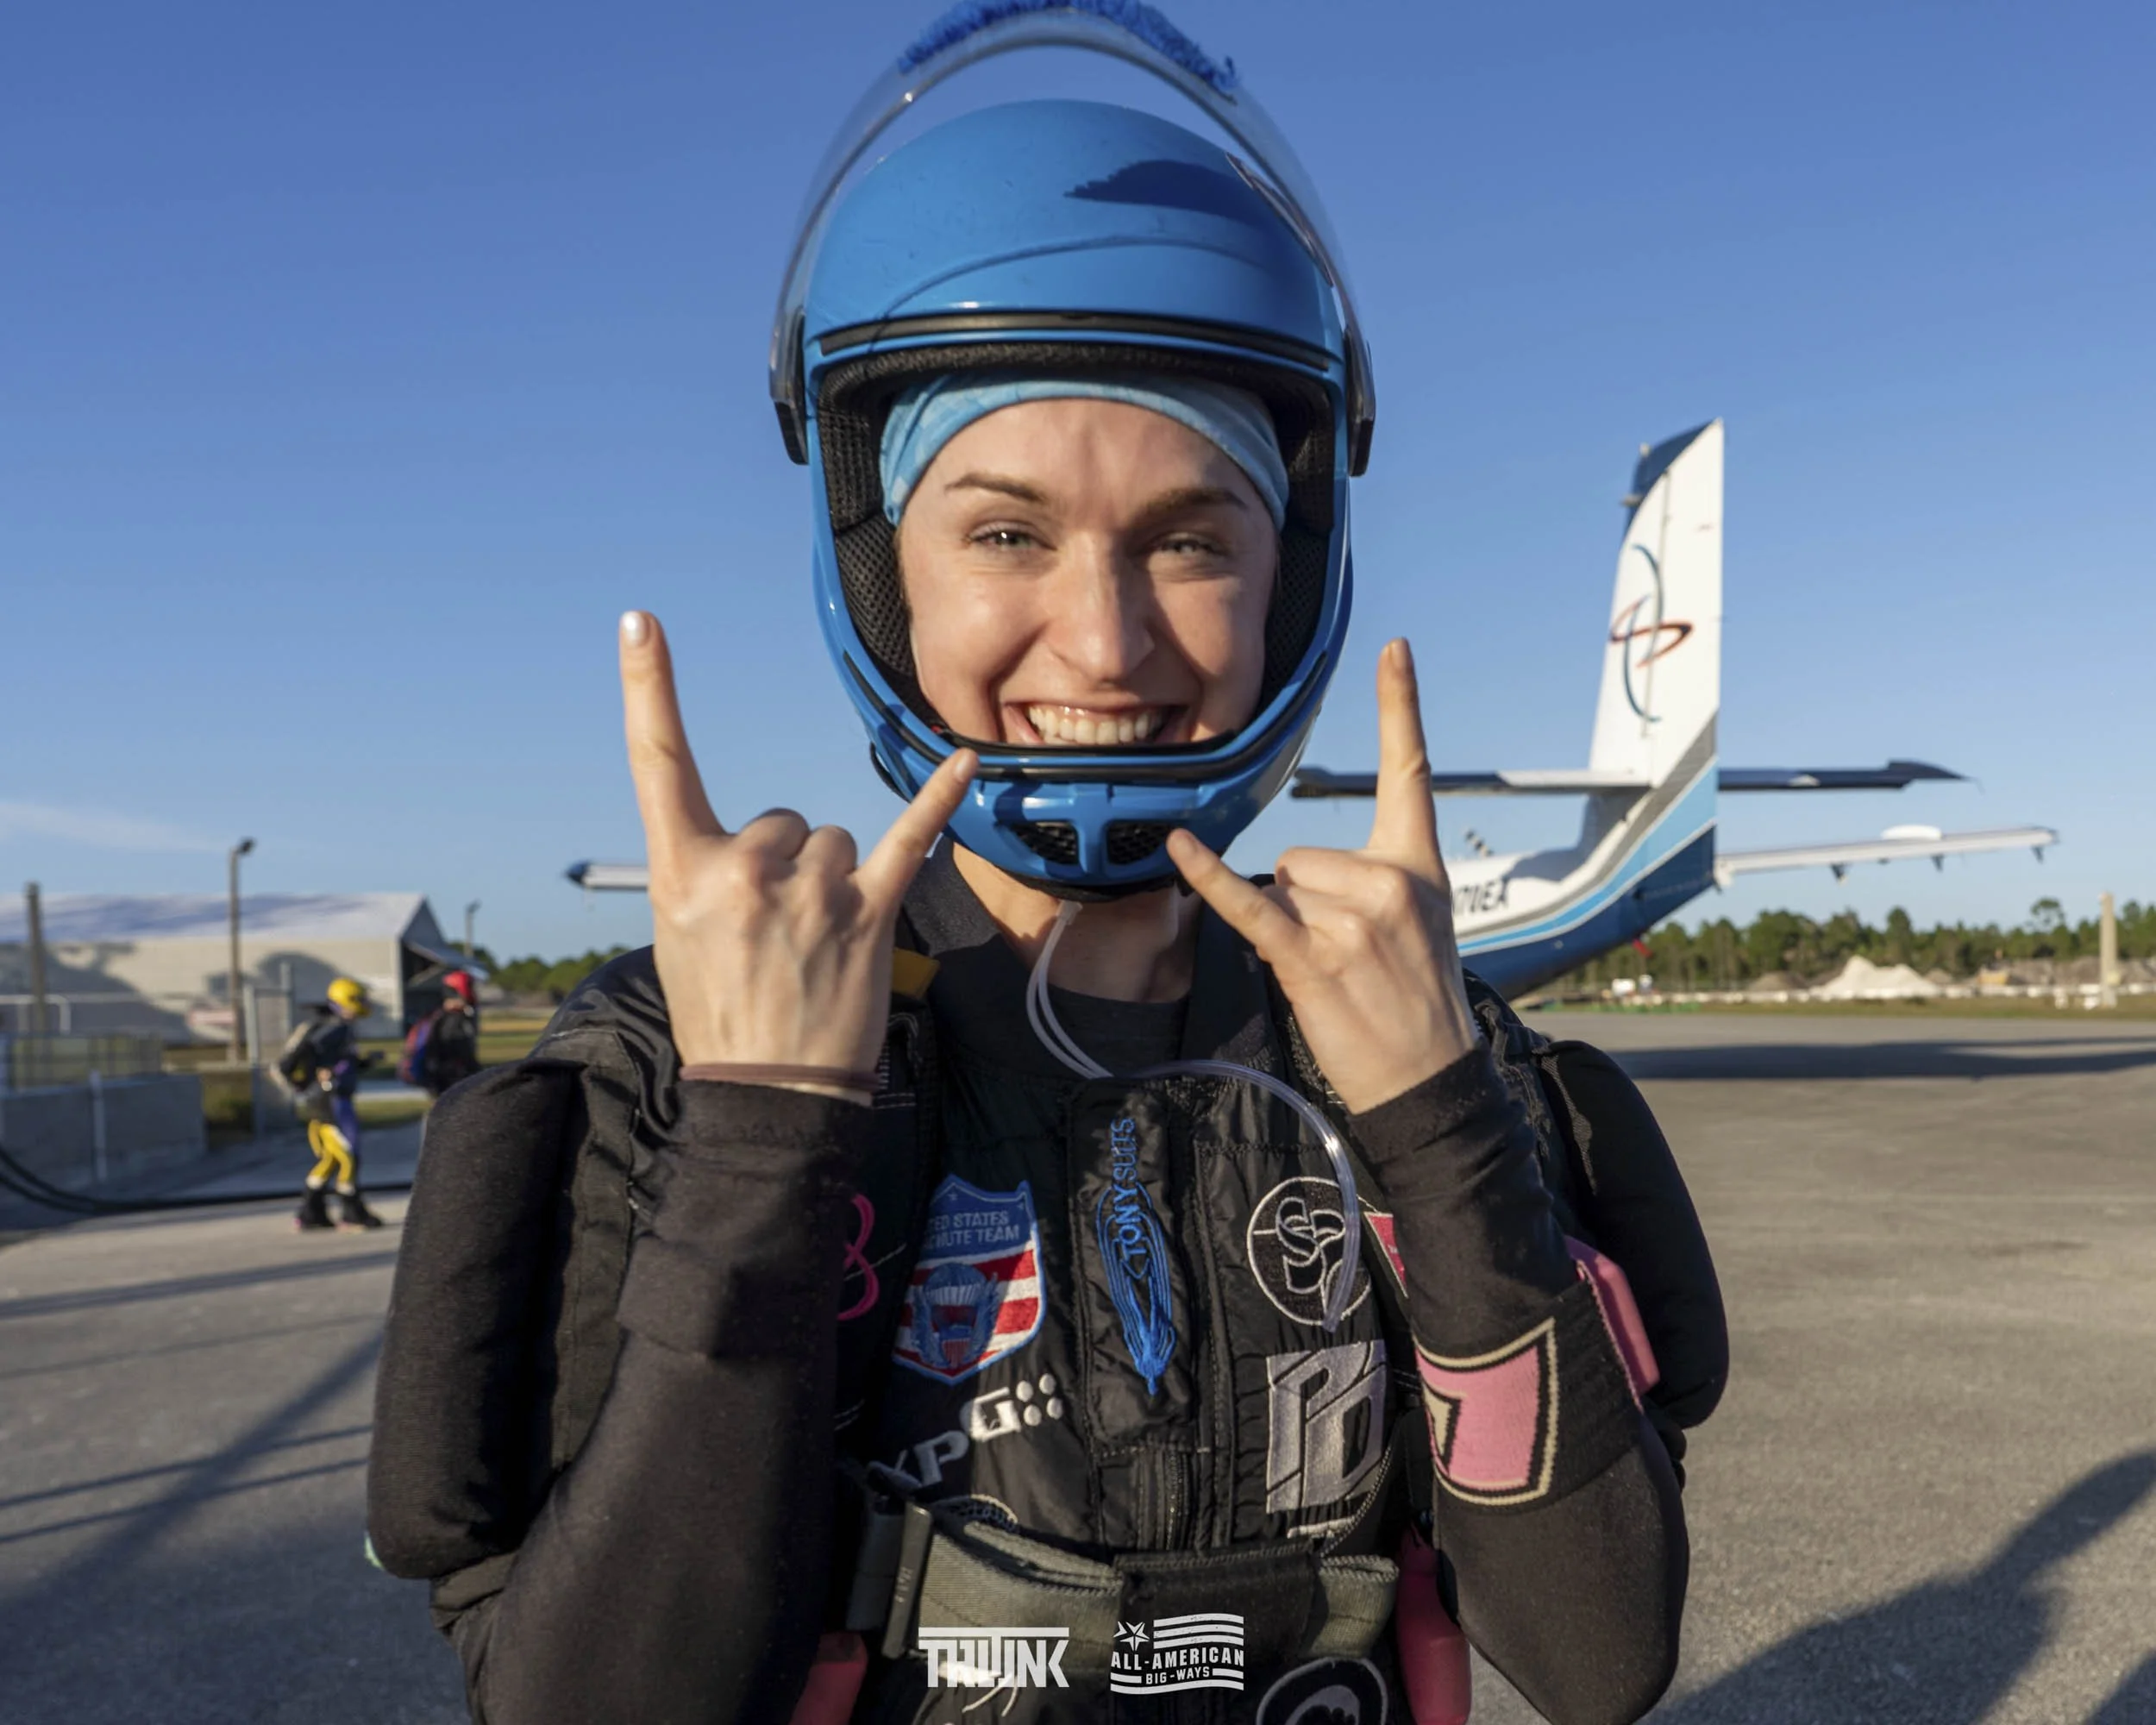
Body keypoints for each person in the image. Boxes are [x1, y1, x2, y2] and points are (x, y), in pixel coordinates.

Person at [369, 12, 1725, 1723]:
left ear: (1290, 575)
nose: (1102, 635)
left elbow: (1600, 1657)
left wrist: (1440, 1127)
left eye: (1189, 538)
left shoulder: (1403, 1044)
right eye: (1003, 531)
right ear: (882, 574)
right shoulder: (668, 1067)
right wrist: (762, 1134)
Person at [280, 975, 382, 1231]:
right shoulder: (334, 1027)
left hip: (329, 1100)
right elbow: (304, 1054)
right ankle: (351, 1210)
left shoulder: (340, 1028)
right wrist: (308, 1080)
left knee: (331, 1158)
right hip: (332, 1102)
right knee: (348, 1155)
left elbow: (343, 1062)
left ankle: (310, 1211)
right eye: (358, 999)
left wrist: (366, 1062)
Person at [400, 969, 484, 1098]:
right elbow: (461, 1051)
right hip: (451, 1080)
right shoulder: (455, 1019)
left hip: (437, 1080)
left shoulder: (436, 1016)